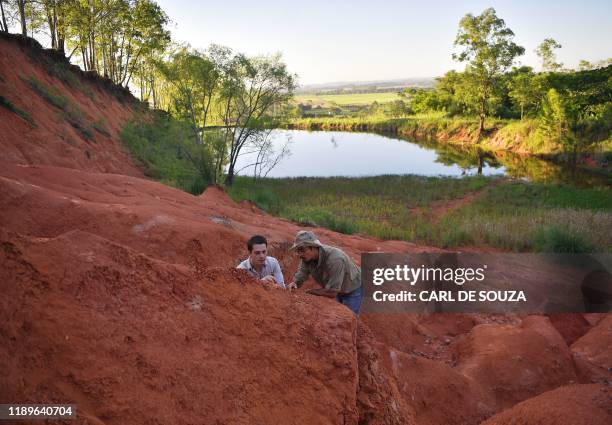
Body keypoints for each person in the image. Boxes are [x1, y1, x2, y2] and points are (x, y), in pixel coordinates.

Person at [287, 230, 363, 315]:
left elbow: (332, 292)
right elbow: (302, 273)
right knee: (341, 314)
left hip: (353, 288)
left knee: (350, 317)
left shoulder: (335, 260)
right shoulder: (307, 258)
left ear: (313, 247)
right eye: (298, 251)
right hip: (338, 287)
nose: (300, 254)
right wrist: (295, 283)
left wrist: (310, 292)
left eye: (302, 250)